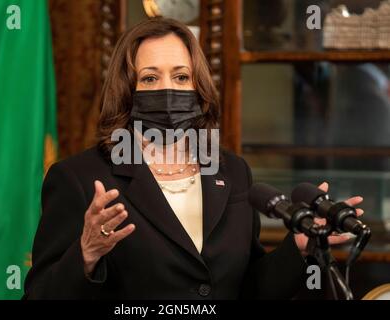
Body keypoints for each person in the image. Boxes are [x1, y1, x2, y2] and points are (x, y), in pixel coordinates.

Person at [23, 18, 363, 300]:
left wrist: (298, 248)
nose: (167, 89)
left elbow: (250, 289)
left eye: (181, 76)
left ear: (198, 87)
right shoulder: (79, 178)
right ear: (126, 89)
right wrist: (86, 253)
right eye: (150, 78)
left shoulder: (232, 171)